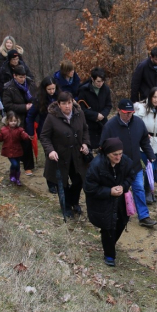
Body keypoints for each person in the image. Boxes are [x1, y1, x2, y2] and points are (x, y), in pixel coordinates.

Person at [100, 99, 157, 228]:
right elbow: (103, 147)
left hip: (135, 166)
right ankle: (115, 216)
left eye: (131, 112)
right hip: (117, 168)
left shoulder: (138, 123)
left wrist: (151, 156)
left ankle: (144, 216)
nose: (128, 115)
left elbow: (144, 142)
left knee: (139, 189)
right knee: (119, 192)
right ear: (119, 111)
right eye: (126, 112)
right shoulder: (110, 126)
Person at [84, 138, 135, 267]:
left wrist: (123, 186)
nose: (118, 157)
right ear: (107, 153)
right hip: (102, 203)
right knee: (108, 228)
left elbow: (131, 175)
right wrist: (109, 191)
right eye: (115, 154)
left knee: (122, 222)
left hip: (121, 201)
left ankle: (109, 244)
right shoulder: (96, 165)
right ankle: (109, 255)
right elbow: (89, 188)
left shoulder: (125, 162)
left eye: (120, 153)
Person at [40, 91, 90, 219]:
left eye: (69, 103)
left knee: (78, 180)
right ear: (58, 104)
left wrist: (85, 143)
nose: (67, 106)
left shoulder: (79, 113)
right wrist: (50, 150)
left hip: (77, 155)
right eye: (64, 104)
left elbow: (85, 129)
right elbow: (44, 137)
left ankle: (74, 202)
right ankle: (66, 206)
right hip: (60, 157)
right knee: (62, 183)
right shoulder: (52, 117)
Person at [133, 87, 157, 204]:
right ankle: (147, 191)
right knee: (150, 167)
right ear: (150, 97)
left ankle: (149, 189)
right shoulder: (142, 108)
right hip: (144, 144)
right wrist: (143, 135)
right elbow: (136, 123)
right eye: (154, 97)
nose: (156, 100)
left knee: (153, 168)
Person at [26, 76, 60, 193]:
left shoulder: (59, 97)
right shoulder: (38, 99)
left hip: (59, 131)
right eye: (49, 89)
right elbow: (30, 116)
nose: (52, 91)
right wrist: (30, 132)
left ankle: (60, 179)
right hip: (45, 132)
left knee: (60, 156)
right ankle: (51, 183)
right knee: (50, 158)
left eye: (53, 89)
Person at [3, 65, 36, 176]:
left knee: (27, 140)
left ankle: (29, 166)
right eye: (20, 77)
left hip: (30, 117)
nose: (23, 79)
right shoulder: (9, 88)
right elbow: (7, 105)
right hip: (16, 118)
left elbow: (36, 96)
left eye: (24, 76)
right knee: (17, 142)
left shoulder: (30, 83)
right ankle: (18, 164)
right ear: (15, 76)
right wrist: (24, 107)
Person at [0, 111, 32, 186]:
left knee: (18, 166)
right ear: (7, 121)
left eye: (15, 121)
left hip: (18, 150)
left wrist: (27, 136)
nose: (13, 123)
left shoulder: (20, 130)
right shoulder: (4, 130)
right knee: (14, 164)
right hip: (8, 150)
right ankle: (12, 175)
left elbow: (24, 136)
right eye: (11, 121)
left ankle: (17, 178)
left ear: (17, 121)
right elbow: (1, 137)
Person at [77, 67, 112, 151]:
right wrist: (95, 115)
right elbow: (81, 108)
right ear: (92, 79)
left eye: (102, 81)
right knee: (89, 148)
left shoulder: (106, 89)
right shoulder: (84, 90)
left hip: (102, 123)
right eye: (98, 81)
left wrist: (103, 114)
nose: (100, 84)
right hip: (89, 124)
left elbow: (108, 105)